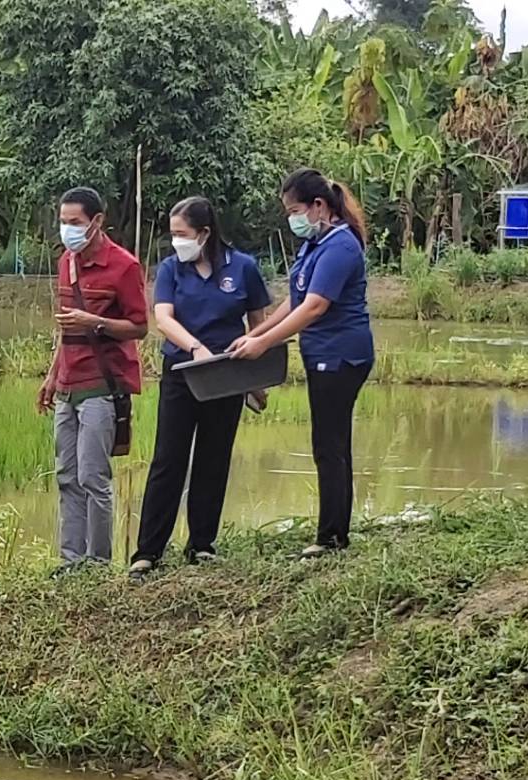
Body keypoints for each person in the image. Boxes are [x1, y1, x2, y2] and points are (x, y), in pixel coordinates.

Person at [126, 197, 270, 582]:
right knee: (168, 459)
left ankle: (201, 543)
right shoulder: (172, 268)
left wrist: (254, 377)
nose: (176, 242)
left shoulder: (243, 268)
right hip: (183, 371)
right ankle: (148, 552)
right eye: (172, 234)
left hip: (226, 374)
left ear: (205, 233)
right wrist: (195, 348)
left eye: (182, 234)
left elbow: (259, 324)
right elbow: (163, 319)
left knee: (214, 457)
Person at [230, 169, 372, 559]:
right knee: (331, 444)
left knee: (329, 445)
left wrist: (264, 344)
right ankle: (334, 532)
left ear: (319, 206)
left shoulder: (341, 246)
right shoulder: (316, 244)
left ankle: (331, 538)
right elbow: (294, 300)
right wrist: (256, 334)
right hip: (323, 354)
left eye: (295, 210)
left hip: (341, 355)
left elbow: (315, 306)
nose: (292, 219)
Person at [39, 187, 148, 572]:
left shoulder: (124, 266)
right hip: (68, 383)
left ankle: (97, 563)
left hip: (103, 384)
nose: (67, 230)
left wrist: (95, 322)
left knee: (93, 477)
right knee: (67, 474)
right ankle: (70, 560)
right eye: (63, 222)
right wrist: (52, 376)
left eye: (75, 223)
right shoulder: (64, 262)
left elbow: (139, 328)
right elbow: (66, 329)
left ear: (97, 222)